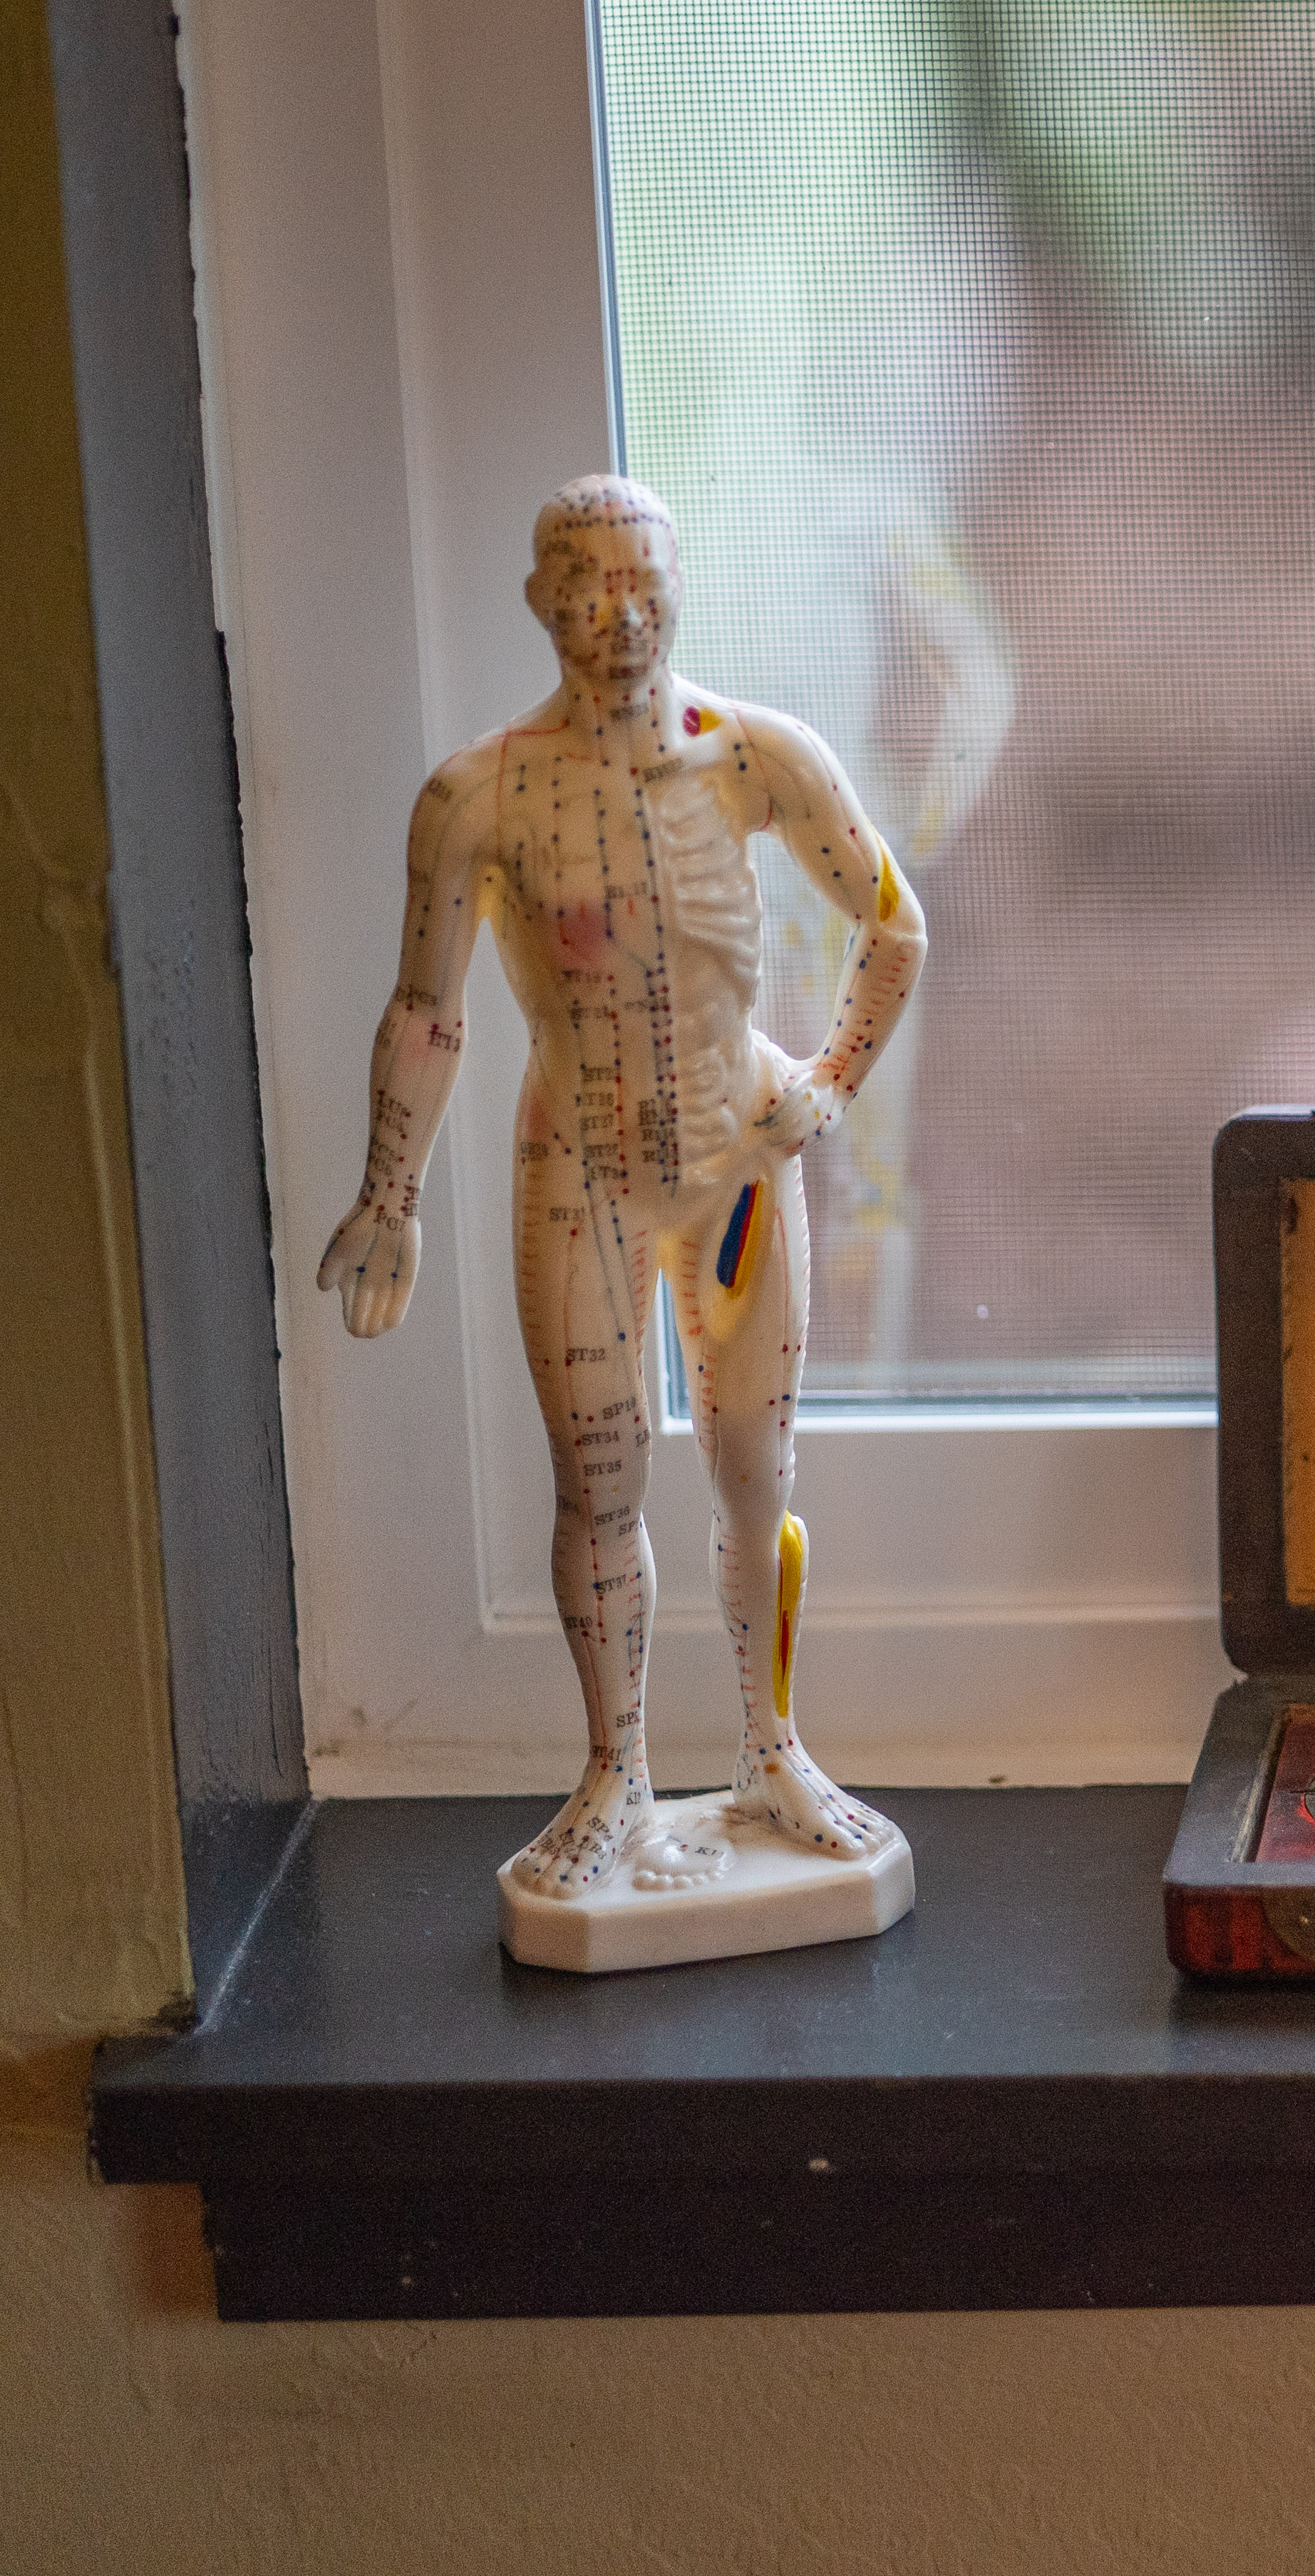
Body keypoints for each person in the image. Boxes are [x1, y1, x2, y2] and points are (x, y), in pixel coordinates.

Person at [318, 474, 929, 1903]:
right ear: (538, 602)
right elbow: (428, 1009)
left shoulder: (753, 760)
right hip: (577, 1168)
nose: (618, 612)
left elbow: (892, 924)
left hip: (735, 1160)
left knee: (753, 1471)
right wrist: (387, 1190)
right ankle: (618, 1779)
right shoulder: (479, 797)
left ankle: (772, 1749)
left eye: (642, 581)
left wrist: (829, 1080)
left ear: (681, 589)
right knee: (597, 1485)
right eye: (584, 584)